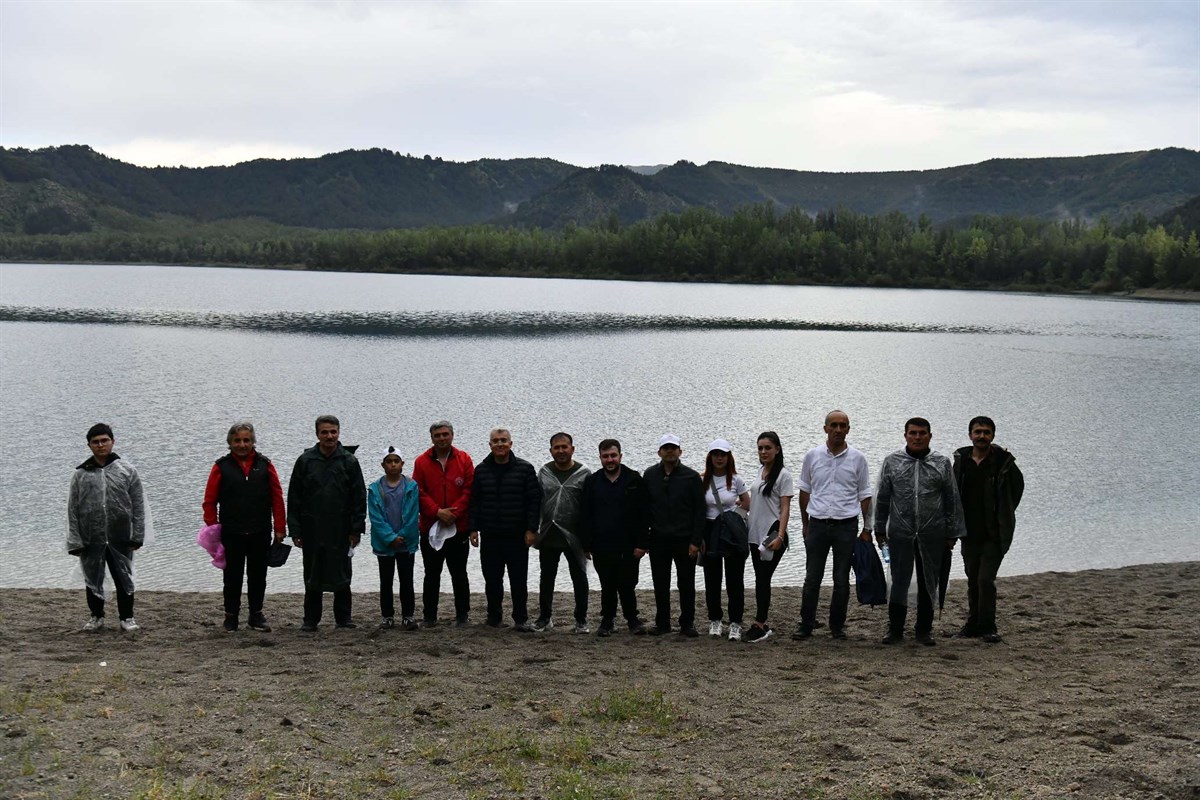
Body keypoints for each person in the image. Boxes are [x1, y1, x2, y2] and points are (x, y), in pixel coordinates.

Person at [875, 418, 965, 646]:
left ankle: (923, 630)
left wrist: (952, 533)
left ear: (930, 436)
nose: (917, 437)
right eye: (913, 433)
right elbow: (883, 498)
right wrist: (878, 528)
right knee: (899, 581)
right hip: (900, 533)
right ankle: (895, 629)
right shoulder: (892, 462)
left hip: (932, 534)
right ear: (905, 435)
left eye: (922, 433)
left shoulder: (941, 463)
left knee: (929, 581)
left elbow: (951, 500)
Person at [794, 410, 873, 640]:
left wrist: (866, 528)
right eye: (834, 425)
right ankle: (806, 624)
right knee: (812, 578)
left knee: (841, 579)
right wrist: (805, 523)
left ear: (848, 429)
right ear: (825, 428)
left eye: (843, 425)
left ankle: (836, 627)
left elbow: (865, 495)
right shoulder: (812, 456)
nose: (838, 430)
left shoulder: (858, 459)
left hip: (846, 526)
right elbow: (805, 491)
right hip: (817, 524)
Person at [201, 421, 286, 633]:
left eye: (246, 440)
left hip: (260, 530)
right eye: (237, 440)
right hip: (231, 532)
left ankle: (256, 614)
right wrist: (212, 529)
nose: (242, 444)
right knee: (232, 576)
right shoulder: (220, 467)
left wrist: (280, 527)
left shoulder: (266, 465)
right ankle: (231, 617)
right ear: (230, 443)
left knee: (258, 576)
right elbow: (209, 501)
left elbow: (277, 498)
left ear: (253, 441)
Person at [287, 415, 366, 631]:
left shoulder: (349, 461)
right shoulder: (305, 461)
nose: (329, 436)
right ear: (317, 434)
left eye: (333, 432)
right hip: (312, 528)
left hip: (341, 529)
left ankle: (344, 619)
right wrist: (295, 529)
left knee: (342, 573)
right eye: (325, 432)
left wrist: (356, 529)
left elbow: (359, 498)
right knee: (312, 574)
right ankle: (310, 620)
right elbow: (294, 497)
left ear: (339, 433)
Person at [68, 423, 148, 632]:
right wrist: (74, 539)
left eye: (104, 440)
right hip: (90, 537)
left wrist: (137, 534)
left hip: (120, 536)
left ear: (113, 441)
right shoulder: (81, 474)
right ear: (89, 445)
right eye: (95, 442)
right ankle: (96, 616)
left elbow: (138, 505)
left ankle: (127, 617)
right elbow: (73, 508)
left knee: (124, 577)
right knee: (93, 578)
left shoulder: (127, 470)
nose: (100, 445)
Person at [952, 416, 1024, 644]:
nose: (981, 436)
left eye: (986, 432)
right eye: (977, 432)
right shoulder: (961, 462)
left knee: (985, 580)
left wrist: (1004, 514)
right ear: (970, 435)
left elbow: (1017, 490)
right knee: (972, 579)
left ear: (993, 435)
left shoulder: (1004, 463)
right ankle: (973, 624)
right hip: (968, 533)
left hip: (994, 534)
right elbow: (952, 492)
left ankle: (989, 626)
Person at [469, 428, 542, 631]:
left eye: (503, 440)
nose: (499, 444)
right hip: (491, 535)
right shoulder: (481, 469)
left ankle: (520, 619)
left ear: (511, 444)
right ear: (489, 445)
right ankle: (494, 617)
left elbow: (534, 501)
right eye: (495, 441)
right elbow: (474, 501)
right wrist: (473, 529)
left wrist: (531, 529)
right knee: (492, 580)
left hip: (517, 535)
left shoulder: (525, 469)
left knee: (518, 580)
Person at [579, 439, 649, 637]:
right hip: (602, 544)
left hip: (629, 544)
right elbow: (585, 515)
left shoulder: (635, 480)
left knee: (628, 584)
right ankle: (607, 620)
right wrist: (586, 544)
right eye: (605, 456)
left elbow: (644, 515)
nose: (610, 460)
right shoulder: (592, 482)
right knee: (607, 584)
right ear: (600, 458)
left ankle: (632, 619)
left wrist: (642, 543)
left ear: (620, 456)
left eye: (613, 455)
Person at [412, 420, 475, 627]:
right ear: (431, 438)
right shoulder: (421, 462)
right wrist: (437, 512)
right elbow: (418, 492)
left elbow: (469, 490)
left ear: (452, 435)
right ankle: (429, 617)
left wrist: (453, 513)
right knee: (431, 573)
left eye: (445, 434)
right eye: (437, 435)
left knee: (459, 573)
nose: (441, 438)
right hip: (430, 526)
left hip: (459, 527)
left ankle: (462, 616)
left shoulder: (464, 459)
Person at [644, 434, 705, 637]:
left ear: (680, 451)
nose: (670, 451)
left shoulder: (691, 477)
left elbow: (699, 511)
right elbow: (644, 509)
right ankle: (662, 623)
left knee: (686, 583)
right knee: (660, 583)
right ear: (659, 452)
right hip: (658, 539)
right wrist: (644, 539)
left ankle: (687, 623)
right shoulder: (650, 475)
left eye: (673, 448)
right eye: (666, 448)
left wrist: (696, 540)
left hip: (685, 539)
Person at [533, 432, 592, 633]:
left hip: (576, 536)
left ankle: (581, 620)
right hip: (548, 534)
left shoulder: (584, 473)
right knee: (546, 578)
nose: (561, 451)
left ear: (572, 449)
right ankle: (545, 617)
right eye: (556, 448)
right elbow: (535, 502)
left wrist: (589, 539)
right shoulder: (544, 472)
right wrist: (533, 529)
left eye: (564, 447)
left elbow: (591, 507)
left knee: (579, 577)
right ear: (551, 451)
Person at [699, 439, 750, 641]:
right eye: (715, 454)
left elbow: (747, 503)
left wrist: (735, 516)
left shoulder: (736, 479)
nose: (719, 458)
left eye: (723, 454)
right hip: (709, 530)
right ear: (710, 457)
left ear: (729, 457)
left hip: (730, 532)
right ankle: (715, 620)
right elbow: (698, 509)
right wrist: (699, 536)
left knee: (734, 579)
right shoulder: (702, 480)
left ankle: (735, 623)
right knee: (712, 579)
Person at [744, 431, 793, 643]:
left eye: (768, 448)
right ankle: (761, 622)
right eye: (760, 448)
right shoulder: (760, 471)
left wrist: (780, 536)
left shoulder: (784, 476)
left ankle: (760, 624)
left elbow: (784, 508)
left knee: (763, 578)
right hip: (754, 534)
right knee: (760, 578)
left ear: (777, 449)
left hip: (772, 535)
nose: (763, 452)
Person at [368, 446, 420, 630]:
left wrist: (402, 536)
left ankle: (408, 615)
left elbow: (414, 515)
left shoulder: (411, 486)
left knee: (407, 580)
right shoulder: (375, 488)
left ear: (402, 464)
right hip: (384, 544)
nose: (393, 465)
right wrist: (390, 537)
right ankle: (387, 616)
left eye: (396, 461)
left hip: (406, 543)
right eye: (389, 461)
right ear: (383, 465)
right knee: (386, 580)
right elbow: (376, 518)